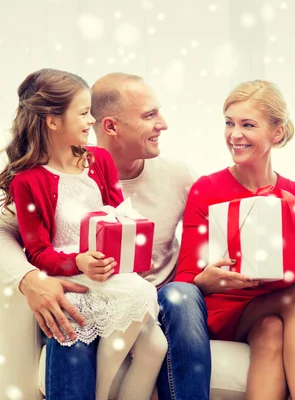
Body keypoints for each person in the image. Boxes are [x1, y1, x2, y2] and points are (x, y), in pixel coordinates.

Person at [0, 72, 211, 400]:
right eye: (84, 113)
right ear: (53, 121)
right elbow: (32, 246)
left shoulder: (106, 164)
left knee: (157, 337)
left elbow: (117, 212)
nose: (91, 121)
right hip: (80, 280)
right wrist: (47, 272)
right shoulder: (30, 181)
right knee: (76, 324)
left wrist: (131, 232)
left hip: (129, 283)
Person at [174, 79, 295, 400]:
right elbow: (184, 278)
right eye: (229, 123)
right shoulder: (207, 189)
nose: (234, 134)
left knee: (272, 330)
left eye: (247, 125)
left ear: (277, 132)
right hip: (223, 310)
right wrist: (208, 282)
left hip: (270, 312)